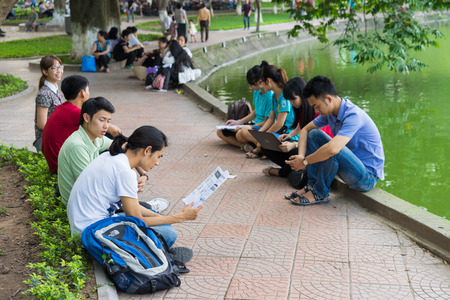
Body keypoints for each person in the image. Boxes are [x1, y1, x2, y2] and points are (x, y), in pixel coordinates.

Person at [66, 125, 202, 256]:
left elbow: (133, 209)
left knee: (156, 217)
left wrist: (162, 218)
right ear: (147, 150)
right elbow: (136, 220)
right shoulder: (125, 171)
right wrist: (180, 217)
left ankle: (154, 251)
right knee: (168, 233)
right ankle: (154, 255)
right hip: (92, 235)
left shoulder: (111, 157)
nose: (157, 162)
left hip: (86, 228)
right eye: (159, 156)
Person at [285, 75, 385, 206]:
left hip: (366, 178)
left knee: (333, 147)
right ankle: (311, 186)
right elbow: (305, 130)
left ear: (328, 99)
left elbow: (333, 149)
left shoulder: (353, 115)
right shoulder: (331, 113)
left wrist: (304, 162)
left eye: (316, 106)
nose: (316, 110)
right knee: (315, 134)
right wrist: (300, 156)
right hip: (352, 168)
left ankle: (319, 193)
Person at [260, 77, 331, 188]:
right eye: (290, 101)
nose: (292, 104)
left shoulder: (317, 110)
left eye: (293, 100)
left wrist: (294, 144)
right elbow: (300, 126)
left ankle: (280, 172)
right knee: (266, 146)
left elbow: (317, 139)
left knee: (294, 152)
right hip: (303, 145)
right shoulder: (301, 108)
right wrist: (289, 135)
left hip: (316, 149)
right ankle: (291, 168)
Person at [240, 63, 295, 158]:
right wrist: (261, 135)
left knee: (264, 144)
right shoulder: (274, 96)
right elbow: (271, 119)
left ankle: (260, 149)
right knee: (262, 142)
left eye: (261, 82)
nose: (261, 86)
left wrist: (264, 136)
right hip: (279, 132)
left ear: (268, 81)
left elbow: (280, 123)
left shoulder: (284, 96)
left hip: (287, 134)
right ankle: (262, 148)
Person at [217, 62, 273, 149]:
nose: (251, 87)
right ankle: (245, 146)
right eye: (250, 84)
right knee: (220, 131)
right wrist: (238, 122)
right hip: (253, 125)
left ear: (260, 81)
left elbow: (267, 122)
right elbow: (255, 112)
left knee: (241, 133)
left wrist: (244, 126)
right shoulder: (257, 92)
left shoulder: (270, 96)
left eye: (253, 84)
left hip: (261, 127)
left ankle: (260, 147)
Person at [42, 75, 90, 173]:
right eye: (88, 90)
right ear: (82, 93)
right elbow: (111, 129)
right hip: (61, 167)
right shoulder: (76, 113)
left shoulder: (61, 108)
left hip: (55, 163)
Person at [33, 55, 64, 152]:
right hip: (46, 140)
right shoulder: (44, 94)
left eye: (60, 67)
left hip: (55, 137)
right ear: (45, 71)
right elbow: (42, 125)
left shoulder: (56, 91)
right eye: (54, 68)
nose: (59, 71)